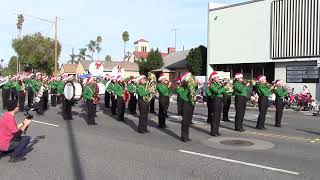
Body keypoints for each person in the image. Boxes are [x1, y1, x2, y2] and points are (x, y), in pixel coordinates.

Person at [178, 72, 196, 142]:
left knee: (188, 121)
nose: (190, 81)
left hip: (190, 104)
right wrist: (188, 88)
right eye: (189, 79)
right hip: (185, 104)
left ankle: (187, 136)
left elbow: (193, 92)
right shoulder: (180, 88)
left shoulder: (190, 87)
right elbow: (183, 96)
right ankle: (183, 137)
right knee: (185, 121)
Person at [209, 72, 226, 136]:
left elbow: (223, 91)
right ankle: (213, 131)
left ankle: (217, 130)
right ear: (213, 78)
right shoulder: (212, 85)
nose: (219, 79)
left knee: (218, 116)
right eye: (217, 77)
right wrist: (224, 87)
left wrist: (223, 85)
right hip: (215, 100)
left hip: (219, 100)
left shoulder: (218, 84)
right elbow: (217, 92)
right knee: (215, 116)